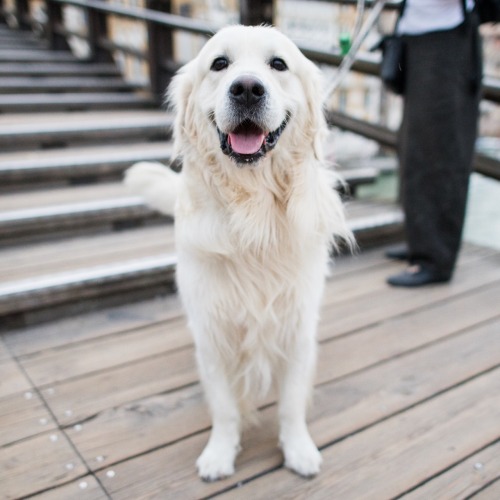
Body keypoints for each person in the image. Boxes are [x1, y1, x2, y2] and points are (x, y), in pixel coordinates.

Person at [386, 0, 483, 287]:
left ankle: (436, 258)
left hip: (447, 40)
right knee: (412, 146)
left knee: (441, 150)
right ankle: (422, 240)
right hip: (416, 35)